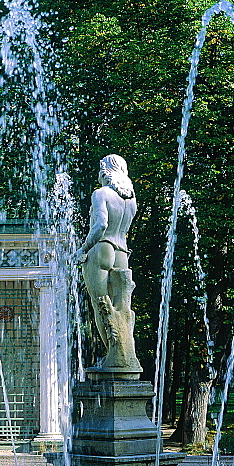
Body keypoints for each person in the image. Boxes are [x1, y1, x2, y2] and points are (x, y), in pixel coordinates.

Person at [73, 154, 143, 373]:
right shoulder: (131, 199)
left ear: (106, 170)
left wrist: (82, 250)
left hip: (102, 247)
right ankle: (126, 354)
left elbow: (101, 224)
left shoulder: (101, 193)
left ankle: (114, 354)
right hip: (122, 250)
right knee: (123, 306)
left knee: (100, 303)